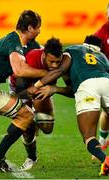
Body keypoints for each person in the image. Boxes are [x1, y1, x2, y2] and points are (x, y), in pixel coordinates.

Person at [0, 10, 48, 173]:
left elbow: (46, 54)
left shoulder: (28, 43)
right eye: (38, 27)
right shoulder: (13, 39)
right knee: (26, 115)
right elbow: (19, 70)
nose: (40, 30)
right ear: (30, 28)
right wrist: (47, 74)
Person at [32, 35, 109, 176]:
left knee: (89, 137)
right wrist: (55, 89)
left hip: (86, 87)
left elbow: (60, 72)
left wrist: (38, 85)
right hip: (106, 82)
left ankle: (105, 159)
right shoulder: (103, 57)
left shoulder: (71, 50)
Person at [9, 37, 64, 170]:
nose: (55, 65)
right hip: (21, 89)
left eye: (58, 62)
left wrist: (52, 89)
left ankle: (33, 121)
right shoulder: (32, 58)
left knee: (47, 127)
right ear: (44, 55)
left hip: (40, 91)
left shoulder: (63, 63)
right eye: (51, 61)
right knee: (27, 127)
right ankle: (32, 158)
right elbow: (19, 89)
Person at [93, 3, 109, 150]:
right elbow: (91, 58)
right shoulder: (100, 34)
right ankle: (102, 143)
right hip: (107, 76)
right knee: (107, 112)